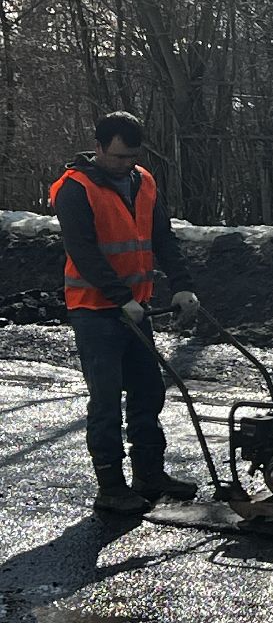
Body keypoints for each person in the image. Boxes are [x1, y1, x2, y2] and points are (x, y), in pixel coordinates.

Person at [49, 112, 201, 514]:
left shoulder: (143, 181)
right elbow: (84, 253)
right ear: (98, 148)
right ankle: (111, 488)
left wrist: (182, 284)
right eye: (117, 157)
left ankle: (149, 474)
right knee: (105, 400)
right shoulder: (74, 190)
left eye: (132, 156)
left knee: (148, 391)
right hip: (96, 312)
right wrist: (119, 298)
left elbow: (161, 237)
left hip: (137, 309)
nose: (125, 165)